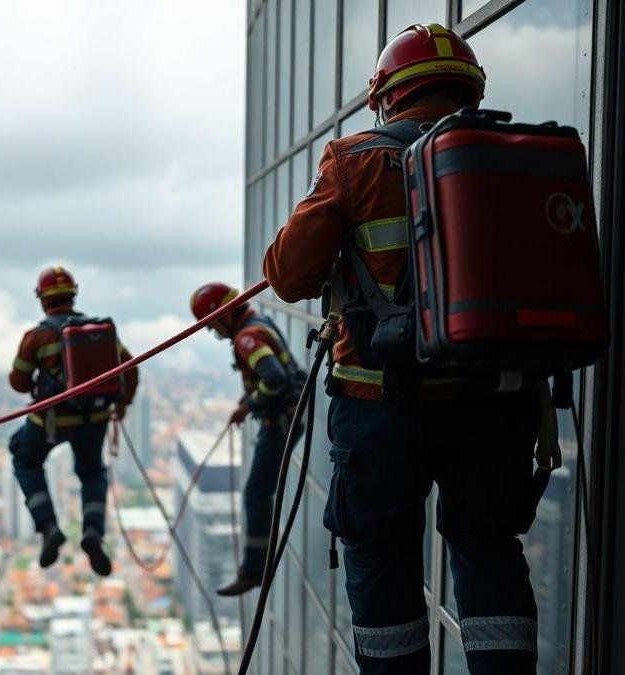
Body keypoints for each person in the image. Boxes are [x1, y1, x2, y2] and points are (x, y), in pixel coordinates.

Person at [263, 24, 546, 674]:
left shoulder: (355, 158)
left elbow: (287, 274)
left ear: (386, 98)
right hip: (493, 401)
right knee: (488, 546)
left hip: (380, 404)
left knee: (382, 556)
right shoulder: (509, 159)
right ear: (469, 93)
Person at [8, 266, 138, 577]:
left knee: (25, 460)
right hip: (94, 418)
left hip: (49, 421)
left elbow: (19, 383)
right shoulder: (99, 332)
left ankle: (48, 525)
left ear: (42, 300)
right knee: (92, 473)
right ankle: (93, 532)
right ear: (73, 295)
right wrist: (122, 404)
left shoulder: (36, 337)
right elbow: (130, 368)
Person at [189, 282, 305, 597]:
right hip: (286, 416)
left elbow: (275, 378)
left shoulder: (247, 337)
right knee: (258, 492)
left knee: (256, 494)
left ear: (223, 316)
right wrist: (249, 400)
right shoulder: (259, 323)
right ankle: (255, 567)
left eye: (213, 326)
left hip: (280, 419)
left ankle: (254, 569)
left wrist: (247, 406)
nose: (215, 333)